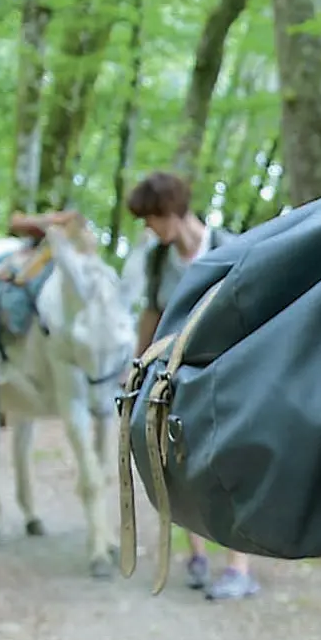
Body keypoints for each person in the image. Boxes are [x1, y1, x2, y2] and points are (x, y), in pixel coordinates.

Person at [123, 171, 259, 601]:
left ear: (171, 212)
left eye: (151, 218)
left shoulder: (231, 247)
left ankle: (238, 566)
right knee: (177, 462)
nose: (148, 228)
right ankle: (197, 554)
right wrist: (137, 365)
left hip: (227, 372)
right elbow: (152, 311)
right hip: (174, 374)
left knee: (232, 464)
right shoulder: (157, 260)